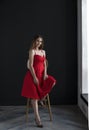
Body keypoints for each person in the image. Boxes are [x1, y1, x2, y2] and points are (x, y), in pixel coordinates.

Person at [21, 34, 56, 128]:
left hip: (41, 75)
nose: (38, 43)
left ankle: (41, 97)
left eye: (40, 41)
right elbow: (31, 65)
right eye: (37, 41)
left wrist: (45, 74)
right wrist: (34, 77)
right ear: (34, 41)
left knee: (52, 81)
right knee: (34, 98)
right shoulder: (32, 51)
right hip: (32, 76)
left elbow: (44, 63)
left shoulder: (43, 52)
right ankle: (37, 119)